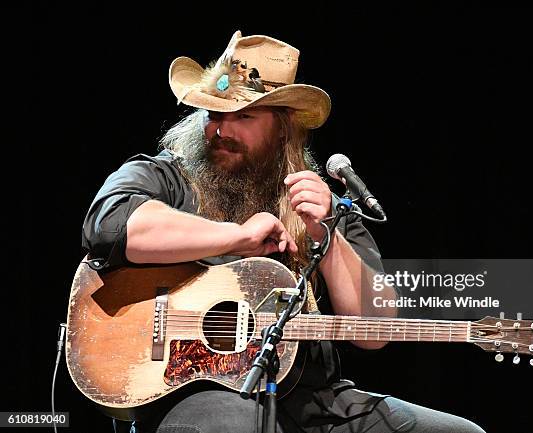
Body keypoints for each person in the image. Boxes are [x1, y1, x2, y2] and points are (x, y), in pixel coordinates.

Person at [82, 30, 485, 433]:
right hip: (191, 392)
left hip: (311, 397)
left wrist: (327, 237)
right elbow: (111, 227)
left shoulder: (319, 203)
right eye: (214, 114)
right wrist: (235, 236)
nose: (222, 130)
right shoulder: (164, 176)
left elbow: (376, 328)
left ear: (282, 128)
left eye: (243, 116)